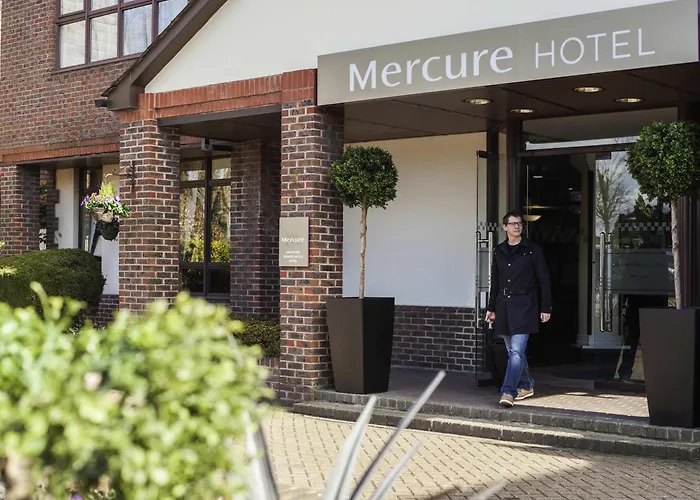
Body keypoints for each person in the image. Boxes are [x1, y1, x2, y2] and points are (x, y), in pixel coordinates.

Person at [485, 211, 552, 408]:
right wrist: (491, 307)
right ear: (505, 227)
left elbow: (543, 279)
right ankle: (526, 384)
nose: (517, 226)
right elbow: (495, 282)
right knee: (512, 351)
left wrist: (546, 307)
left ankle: (508, 391)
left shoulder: (532, 250)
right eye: (513, 224)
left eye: (519, 223)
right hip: (503, 306)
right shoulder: (499, 251)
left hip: (525, 306)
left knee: (516, 351)